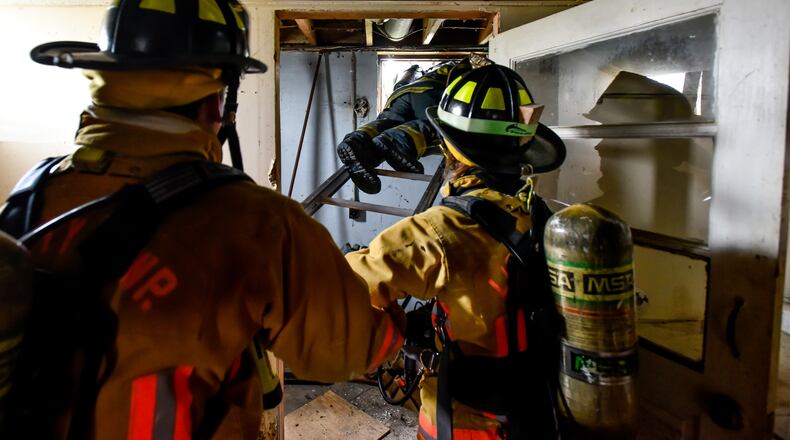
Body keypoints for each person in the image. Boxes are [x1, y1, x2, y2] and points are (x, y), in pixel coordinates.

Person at [0, 1, 403, 439]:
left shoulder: (31, 191)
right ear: (217, 101)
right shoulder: (256, 223)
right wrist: (395, 318)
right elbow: (347, 351)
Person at [345, 65, 567, 440]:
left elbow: (346, 286)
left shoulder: (439, 230)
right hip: (537, 415)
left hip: (467, 424)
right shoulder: (538, 212)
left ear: (449, 145)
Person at [336, 55, 492, 194]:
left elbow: (406, 77)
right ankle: (396, 142)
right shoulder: (452, 67)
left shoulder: (422, 72)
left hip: (400, 96)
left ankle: (357, 143)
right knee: (440, 127)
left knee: (386, 123)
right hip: (431, 91)